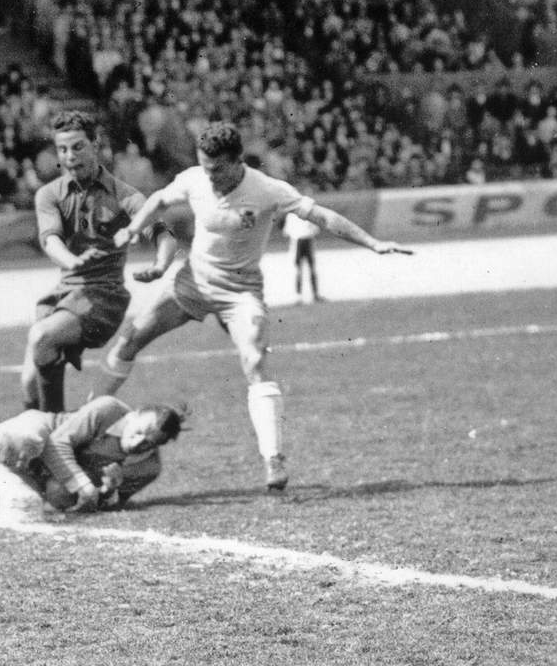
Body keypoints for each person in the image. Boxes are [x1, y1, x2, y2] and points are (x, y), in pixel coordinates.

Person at [92, 121, 412, 492]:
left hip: (240, 291)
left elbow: (322, 216)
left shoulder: (266, 189)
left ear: (237, 162)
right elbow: (161, 199)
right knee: (129, 338)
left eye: (217, 169)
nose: (209, 176)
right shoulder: (195, 178)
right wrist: (133, 230)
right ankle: (89, 417)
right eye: (204, 166)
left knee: (255, 361)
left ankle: (273, 459)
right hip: (193, 282)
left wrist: (372, 243)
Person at [22, 111, 177, 412]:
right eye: (63, 149)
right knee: (29, 383)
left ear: (95, 144)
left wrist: (160, 265)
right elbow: (49, 240)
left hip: (102, 297)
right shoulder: (48, 194)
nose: (69, 156)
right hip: (63, 294)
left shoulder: (124, 195)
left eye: (78, 147)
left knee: (41, 337)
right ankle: (38, 443)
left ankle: (55, 435)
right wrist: (73, 261)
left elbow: (163, 235)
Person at [0, 395, 185, 519]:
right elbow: (57, 442)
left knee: (20, 505)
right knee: (30, 441)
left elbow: (109, 505)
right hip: (41, 432)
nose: (139, 444)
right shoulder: (109, 410)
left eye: (151, 443)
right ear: (133, 415)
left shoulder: (148, 467)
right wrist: (85, 487)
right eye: (139, 432)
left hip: (39, 472)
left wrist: (109, 491)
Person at [283, 211, 323, 303]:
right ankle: (300, 295)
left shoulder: (299, 214)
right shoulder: (294, 215)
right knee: (300, 270)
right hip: (299, 241)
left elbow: (286, 232)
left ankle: (313, 294)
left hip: (305, 240)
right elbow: (316, 229)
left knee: (309, 269)